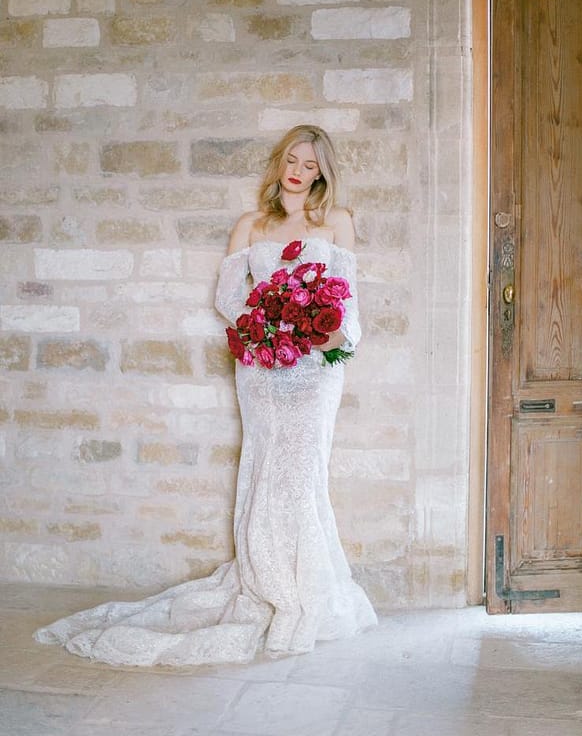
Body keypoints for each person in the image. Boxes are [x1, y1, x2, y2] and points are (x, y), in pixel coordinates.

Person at [33, 125, 377, 666]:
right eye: (292, 159)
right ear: (279, 162)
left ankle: (305, 591)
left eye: (311, 165)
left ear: (323, 173)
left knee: (302, 468)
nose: (298, 171)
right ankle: (267, 581)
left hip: (316, 368)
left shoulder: (336, 222)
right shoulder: (251, 225)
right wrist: (266, 327)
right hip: (262, 366)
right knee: (265, 465)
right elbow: (227, 297)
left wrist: (335, 337)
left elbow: (350, 301)